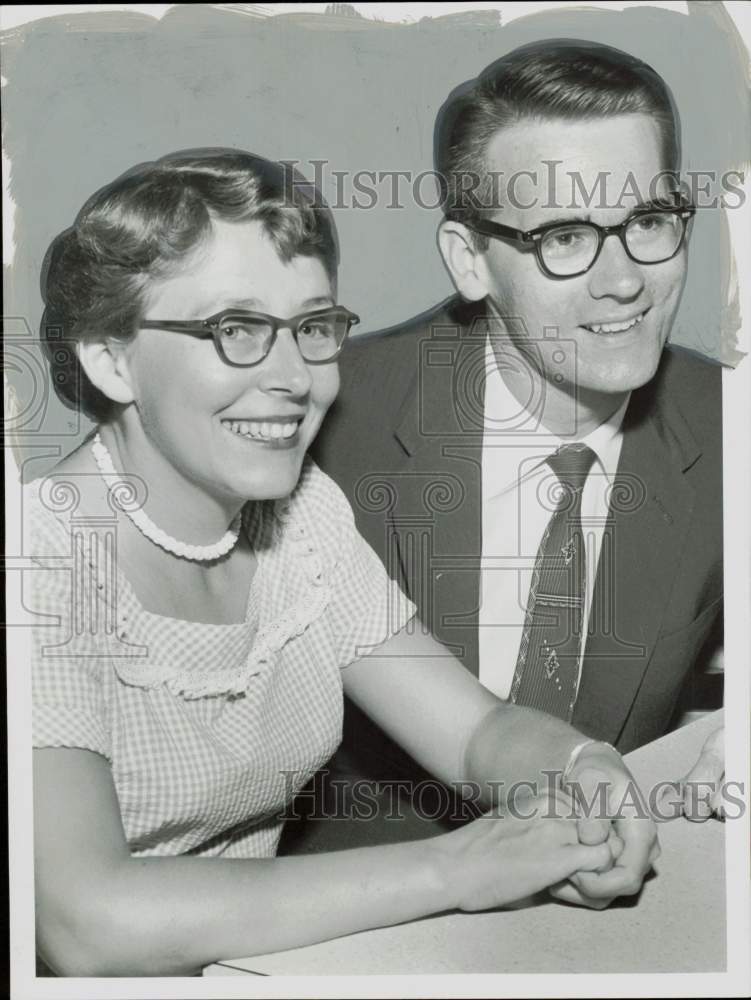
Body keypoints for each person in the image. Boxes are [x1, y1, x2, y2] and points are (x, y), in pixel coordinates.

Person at [28, 149, 657, 977]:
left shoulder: (301, 516)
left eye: (313, 328)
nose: (296, 377)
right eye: (237, 330)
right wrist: (459, 868)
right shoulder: (37, 565)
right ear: (111, 359)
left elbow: (474, 733)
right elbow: (86, 923)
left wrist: (579, 769)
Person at [312, 41, 724, 826]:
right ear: (469, 261)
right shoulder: (322, 423)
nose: (624, 279)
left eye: (647, 219)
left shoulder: (724, 425)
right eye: (563, 237)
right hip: (354, 923)